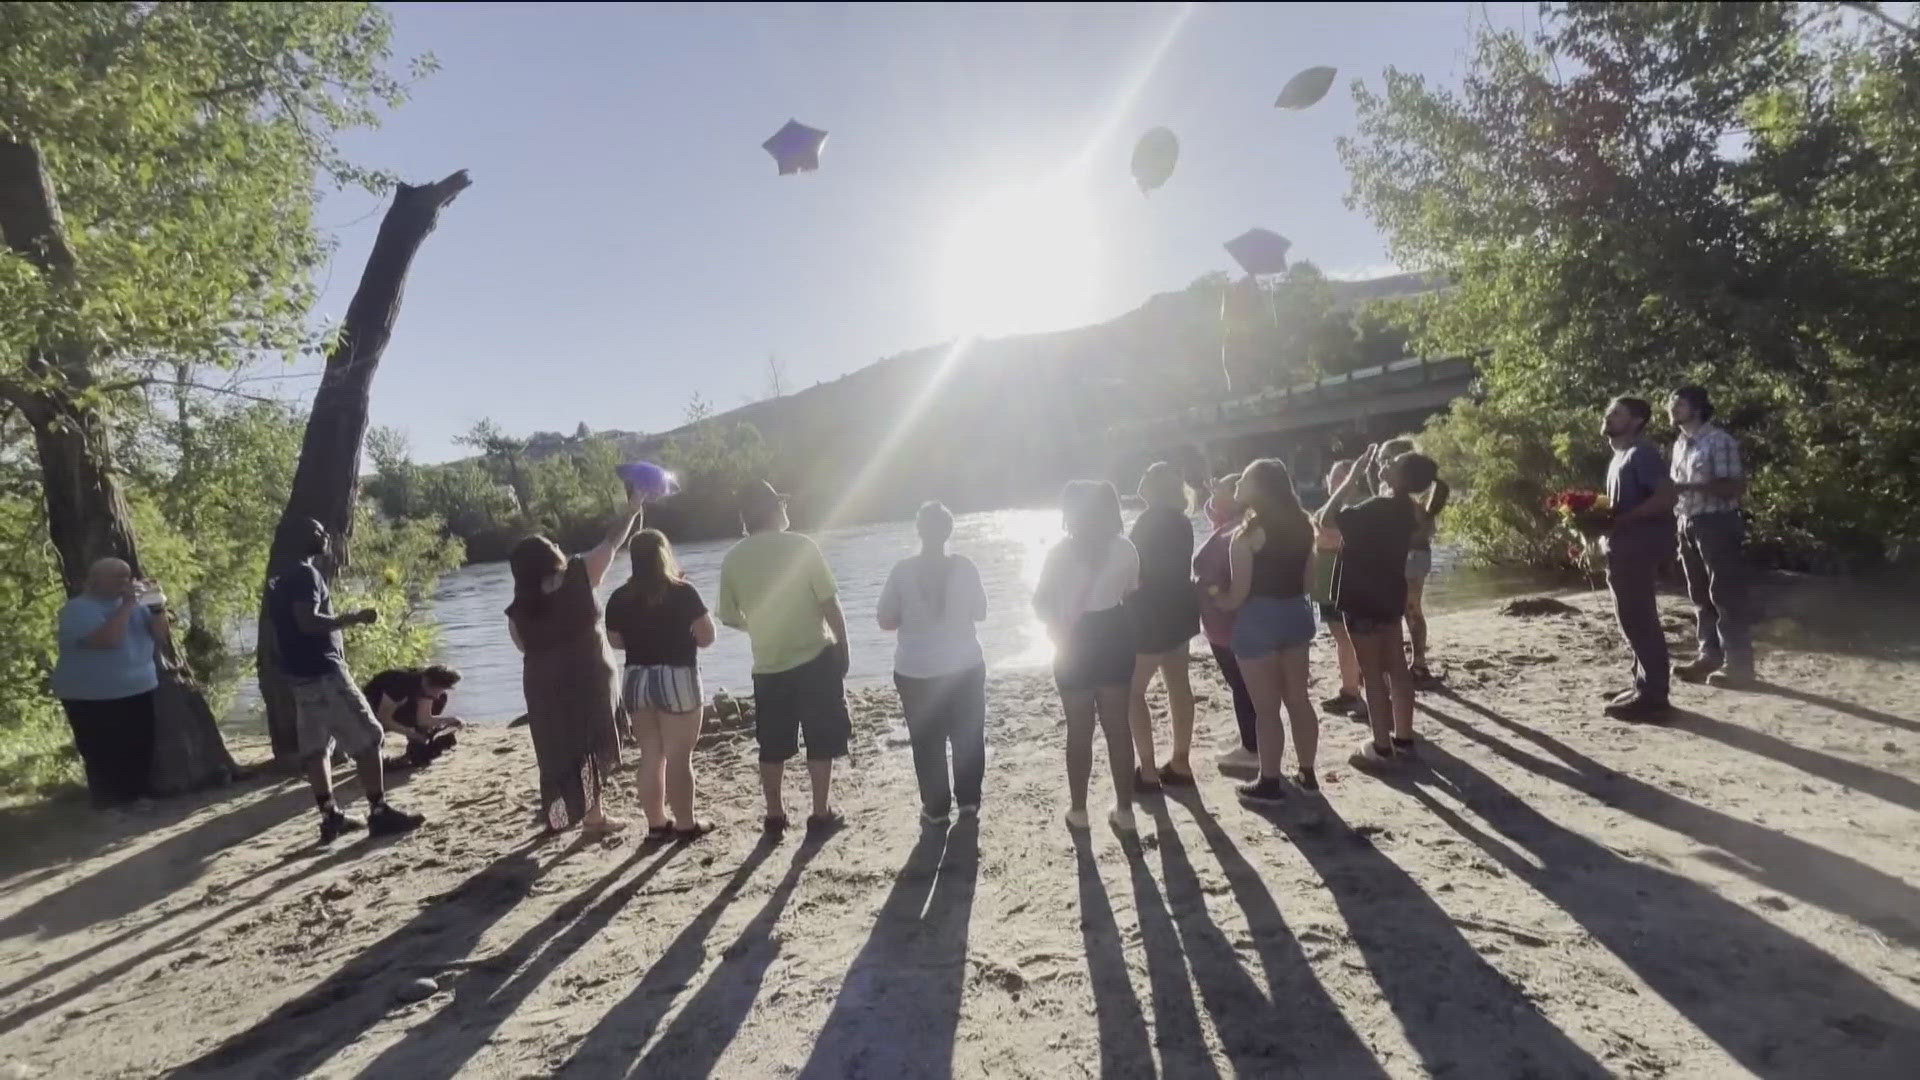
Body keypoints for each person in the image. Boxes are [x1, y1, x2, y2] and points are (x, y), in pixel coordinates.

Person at [267, 519, 424, 842]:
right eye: (317, 531)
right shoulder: (305, 574)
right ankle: (379, 812)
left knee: (316, 747)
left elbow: (283, 628)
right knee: (370, 737)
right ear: (301, 539)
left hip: (300, 677)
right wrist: (354, 617)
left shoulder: (281, 579)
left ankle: (331, 816)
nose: (325, 535)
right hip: (324, 673)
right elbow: (307, 621)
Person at [716, 480, 852, 835]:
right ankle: (820, 813)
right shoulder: (803, 547)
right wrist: (844, 647)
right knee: (820, 738)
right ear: (775, 510)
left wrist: (758, 625)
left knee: (772, 744)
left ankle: (774, 814)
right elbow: (830, 603)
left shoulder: (733, 558)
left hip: (768, 664)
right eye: (782, 504)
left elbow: (728, 616)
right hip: (815, 658)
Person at [506, 490, 644, 837]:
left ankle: (558, 815)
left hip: (543, 686)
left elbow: (524, 648)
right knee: (593, 744)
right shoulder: (580, 576)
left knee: (556, 751)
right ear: (552, 554)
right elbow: (612, 542)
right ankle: (595, 816)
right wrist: (632, 509)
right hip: (590, 676)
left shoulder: (518, 608)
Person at [1033, 480, 1139, 834]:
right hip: (1114, 635)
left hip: (1074, 640)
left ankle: (1079, 811)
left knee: (1079, 730)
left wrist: (1054, 627)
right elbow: (1129, 591)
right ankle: (1125, 811)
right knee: (1118, 729)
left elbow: (1040, 601)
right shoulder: (1126, 549)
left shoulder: (1059, 553)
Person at [1216, 459, 1321, 804]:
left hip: (1258, 620)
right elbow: (1308, 583)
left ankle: (1270, 781)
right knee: (1298, 700)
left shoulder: (1245, 536)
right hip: (1296, 615)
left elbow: (1238, 597)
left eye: (1243, 479)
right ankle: (1307, 775)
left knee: (1266, 709)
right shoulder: (1305, 526)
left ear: (1259, 488)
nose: (1236, 485)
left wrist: (1214, 596)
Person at [878, 501, 988, 826]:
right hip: (965, 666)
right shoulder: (965, 566)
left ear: (918, 530)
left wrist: (908, 616)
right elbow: (980, 612)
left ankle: (936, 809)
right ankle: (968, 802)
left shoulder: (902, 570)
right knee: (967, 734)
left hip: (916, 670)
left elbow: (885, 620)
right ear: (949, 531)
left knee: (927, 740)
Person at [605, 529, 717, 840]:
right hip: (677, 676)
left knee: (651, 754)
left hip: (637, 678)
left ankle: (656, 824)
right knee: (680, 757)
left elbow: (616, 641)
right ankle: (685, 824)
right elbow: (707, 637)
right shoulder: (683, 591)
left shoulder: (618, 597)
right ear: (664, 554)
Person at [1328, 446, 1431, 773]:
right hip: (1389, 593)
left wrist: (1351, 480)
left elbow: (1326, 518)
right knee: (1397, 668)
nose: (1386, 463)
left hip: (1361, 596)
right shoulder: (1407, 510)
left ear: (1403, 477)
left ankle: (1381, 747)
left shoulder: (1377, 506)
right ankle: (1403, 739)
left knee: (1372, 672)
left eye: (1394, 462)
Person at [50, 558, 168, 807]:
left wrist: (158, 609)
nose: (124, 582)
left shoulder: (138, 604)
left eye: (126, 576)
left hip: (138, 686)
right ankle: (109, 803)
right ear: (94, 581)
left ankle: (138, 796)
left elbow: (161, 637)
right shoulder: (78, 609)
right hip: (91, 694)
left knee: (139, 745)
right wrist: (126, 607)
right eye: (116, 577)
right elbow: (107, 641)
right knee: (101, 750)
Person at [1667, 386, 1754, 687]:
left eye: (1679, 404)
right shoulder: (1679, 444)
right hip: (1687, 522)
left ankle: (1739, 664)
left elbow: (1733, 487)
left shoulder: (1720, 441)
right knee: (1700, 596)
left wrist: (1691, 487)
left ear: (1699, 407)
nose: (1672, 408)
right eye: (1671, 403)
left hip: (1717, 522)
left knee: (1726, 595)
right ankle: (1709, 656)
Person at [1599, 397, 1678, 719]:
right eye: (1609, 411)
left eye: (1616, 413)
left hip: (1639, 546)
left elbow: (1666, 497)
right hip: (1623, 547)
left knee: (1639, 618)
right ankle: (1641, 683)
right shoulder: (1620, 456)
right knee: (1630, 617)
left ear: (1636, 421)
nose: (1608, 416)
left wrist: (1624, 520)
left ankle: (1654, 697)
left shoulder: (1642, 453)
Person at [1124, 462, 1201, 789]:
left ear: (1154, 486)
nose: (1140, 480)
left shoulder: (1148, 520)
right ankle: (1180, 761)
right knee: (1178, 684)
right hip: (1179, 608)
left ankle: (1148, 769)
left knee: (1133, 691)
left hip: (1149, 611)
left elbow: (1134, 569)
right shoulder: (1182, 521)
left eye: (1145, 476)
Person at [1194, 472, 1259, 774]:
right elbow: (1208, 507)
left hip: (1227, 622)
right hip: (1233, 620)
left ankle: (1252, 747)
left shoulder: (1229, 533)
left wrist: (1212, 592)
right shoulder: (1241, 523)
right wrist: (1216, 493)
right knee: (1245, 683)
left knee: (1241, 684)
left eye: (1218, 487)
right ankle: (1252, 737)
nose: (1212, 492)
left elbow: (1208, 571)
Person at [1376, 437, 1451, 685]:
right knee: (1410, 610)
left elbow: (1416, 529)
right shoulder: (1403, 496)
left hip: (1407, 558)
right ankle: (1416, 664)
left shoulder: (1403, 500)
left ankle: (1412, 664)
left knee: (1404, 611)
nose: (1381, 464)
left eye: (1387, 460)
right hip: (1415, 557)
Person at [1315, 459, 1368, 719]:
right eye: (1333, 477)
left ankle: (1356, 693)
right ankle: (1350, 689)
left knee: (1351, 638)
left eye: (1341, 477)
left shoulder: (1354, 508)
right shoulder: (1331, 508)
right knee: (1342, 638)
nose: (1334, 482)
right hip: (1327, 584)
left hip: (1345, 583)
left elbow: (1326, 535)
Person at [362, 664, 465, 768]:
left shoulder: (427, 685)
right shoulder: (399, 685)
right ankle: (375, 757)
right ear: (427, 682)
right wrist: (414, 735)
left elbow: (424, 719)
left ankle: (416, 749)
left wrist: (450, 721)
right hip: (371, 710)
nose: (437, 695)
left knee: (441, 700)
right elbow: (384, 719)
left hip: (402, 705)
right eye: (437, 690)